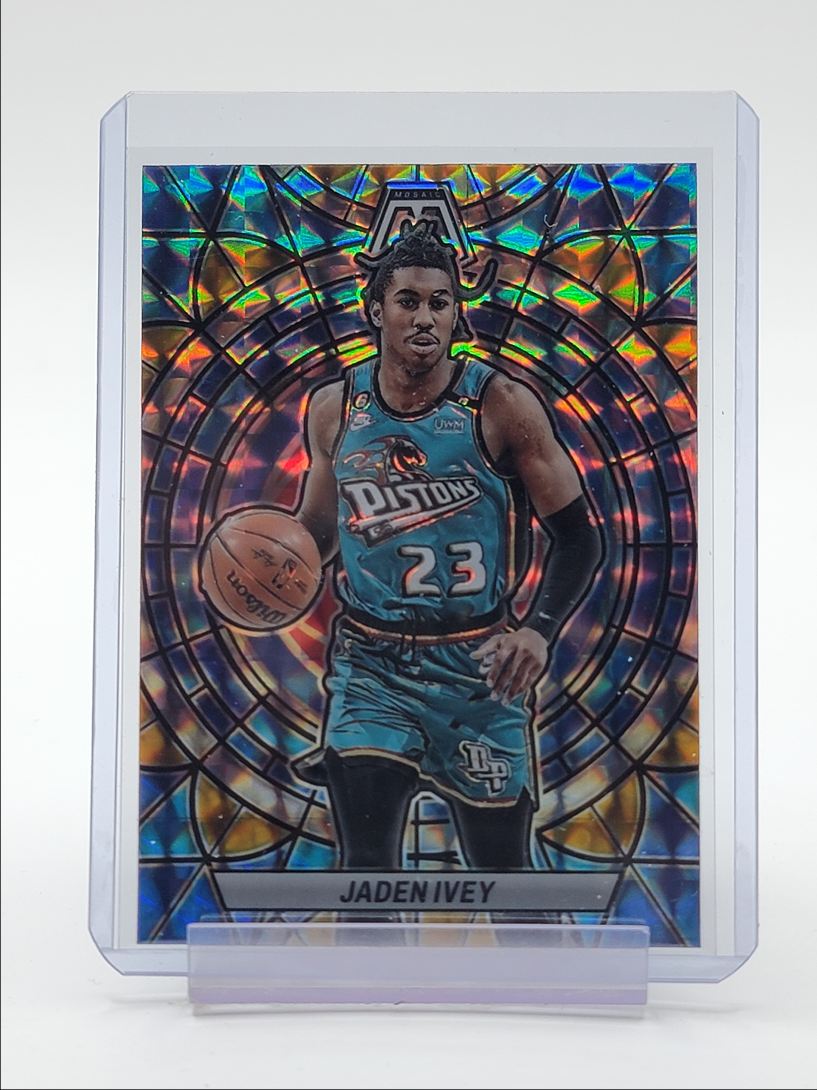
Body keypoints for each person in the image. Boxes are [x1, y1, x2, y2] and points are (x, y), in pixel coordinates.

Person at [292, 218, 602, 871]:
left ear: (457, 313)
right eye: (408, 301)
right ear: (375, 310)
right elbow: (317, 534)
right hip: (371, 665)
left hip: (477, 668)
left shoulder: (501, 403)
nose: (425, 317)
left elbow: (578, 537)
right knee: (366, 873)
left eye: (440, 302)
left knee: (503, 877)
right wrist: (264, 566)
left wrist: (539, 631)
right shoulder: (334, 408)